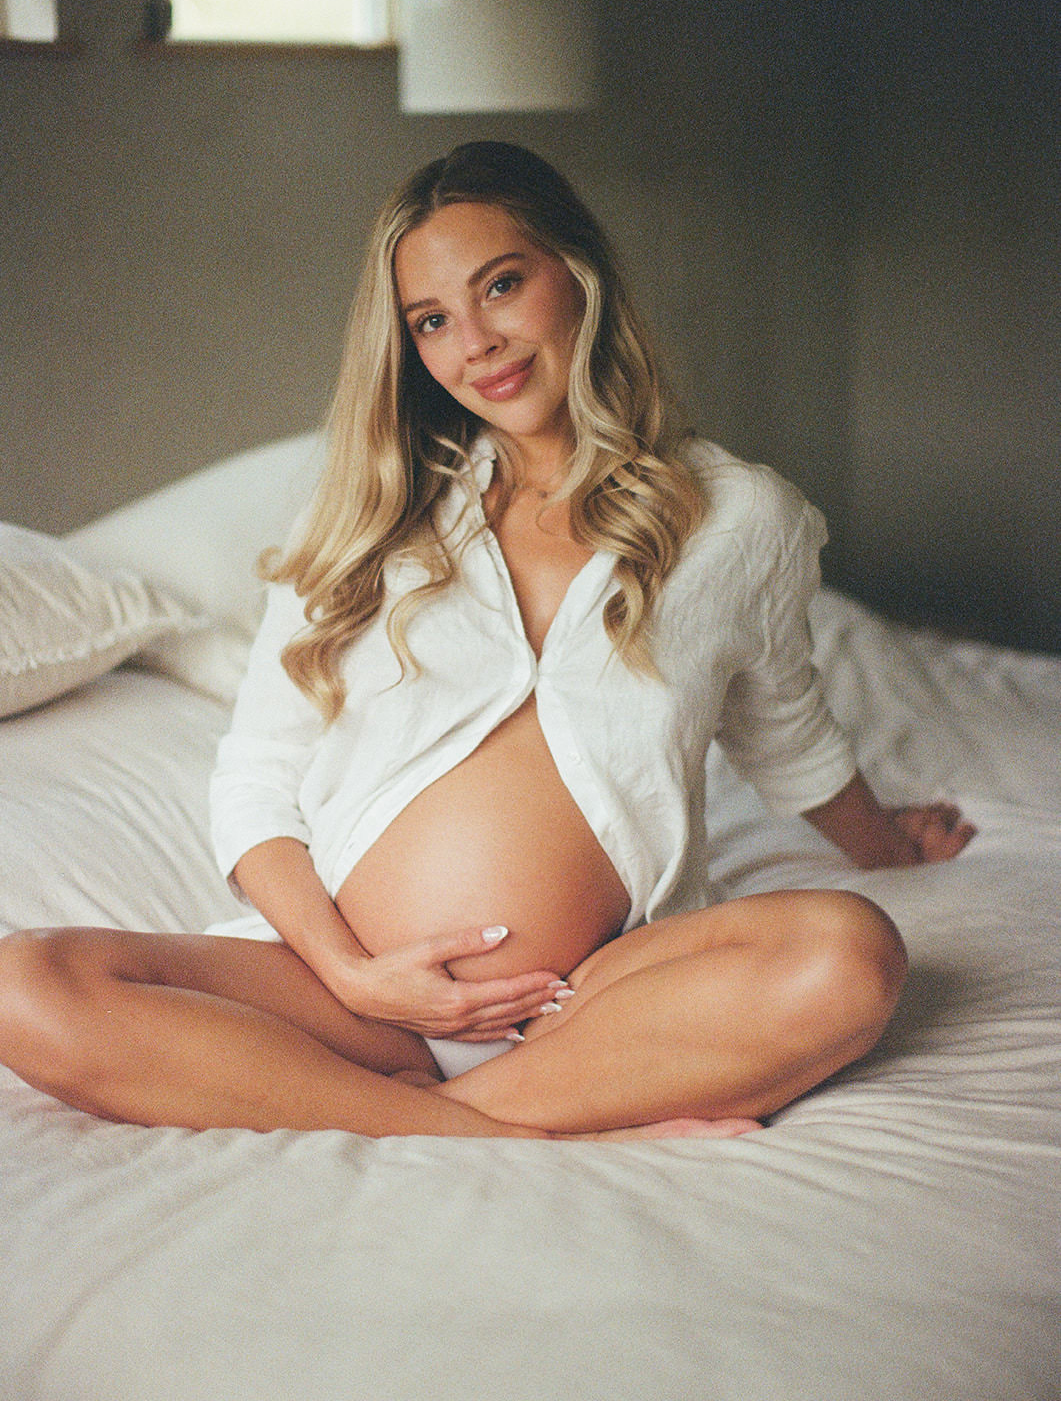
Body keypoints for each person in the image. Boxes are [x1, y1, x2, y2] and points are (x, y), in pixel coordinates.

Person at [0, 142, 974, 1141]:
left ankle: (420, 1111)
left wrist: (886, 842)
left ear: (577, 274)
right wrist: (355, 974)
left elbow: (783, 730)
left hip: (590, 999)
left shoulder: (738, 518)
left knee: (850, 954)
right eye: (431, 321)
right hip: (351, 1002)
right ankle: (519, 1124)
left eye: (501, 285)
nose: (475, 342)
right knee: (24, 981)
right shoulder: (367, 515)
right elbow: (255, 778)